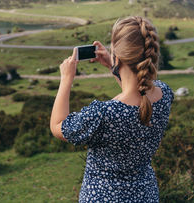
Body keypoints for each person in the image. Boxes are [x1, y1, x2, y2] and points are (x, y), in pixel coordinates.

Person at [50, 16, 174, 202]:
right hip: (145, 194)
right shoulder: (164, 94)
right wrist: (112, 65)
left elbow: (59, 126)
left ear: (118, 54)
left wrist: (66, 78)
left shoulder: (105, 114)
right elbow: (135, 94)